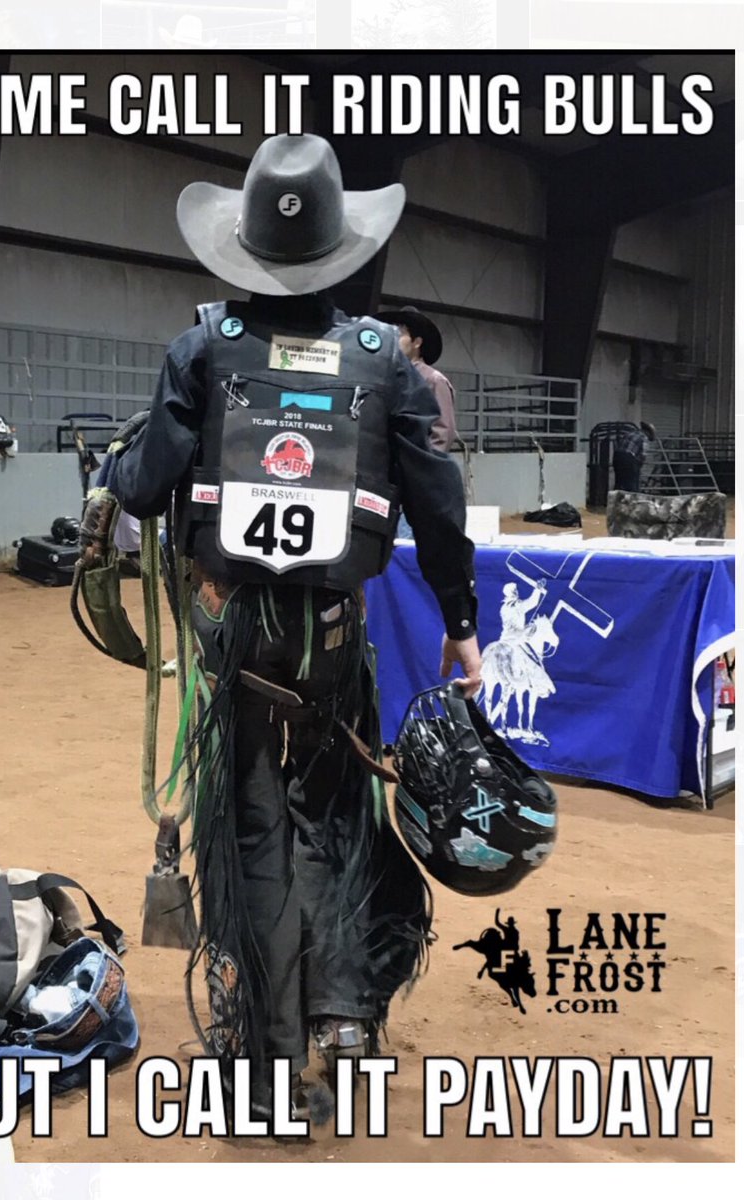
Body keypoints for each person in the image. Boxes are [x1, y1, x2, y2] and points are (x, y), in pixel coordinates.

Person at [107, 133, 481, 1115]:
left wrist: (124, 464)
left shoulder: (200, 350)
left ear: (244, 249)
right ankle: (345, 1017)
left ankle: (266, 1069)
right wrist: (460, 622)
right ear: (336, 248)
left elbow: (145, 488)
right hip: (327, 641)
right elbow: (438, 506)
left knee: (250, 838)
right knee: (336, 818)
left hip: (236, 636)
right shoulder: (382, 366)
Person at [373, 305, 456, 454]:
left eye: (398, 334)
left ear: (416, 342)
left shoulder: (433, 380)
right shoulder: (382, 376)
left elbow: (442, 434)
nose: (392, 339)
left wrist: (423, 466)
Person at [612, 420, 656, 492]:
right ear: (649, 432)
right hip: (629, 458)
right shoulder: (644, 438)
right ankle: (632, 498)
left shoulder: (630, 433)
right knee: (632, 482)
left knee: (619, 481)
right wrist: (639, 466)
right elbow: (643, 455)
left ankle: (616, 498)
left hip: (617, 455)